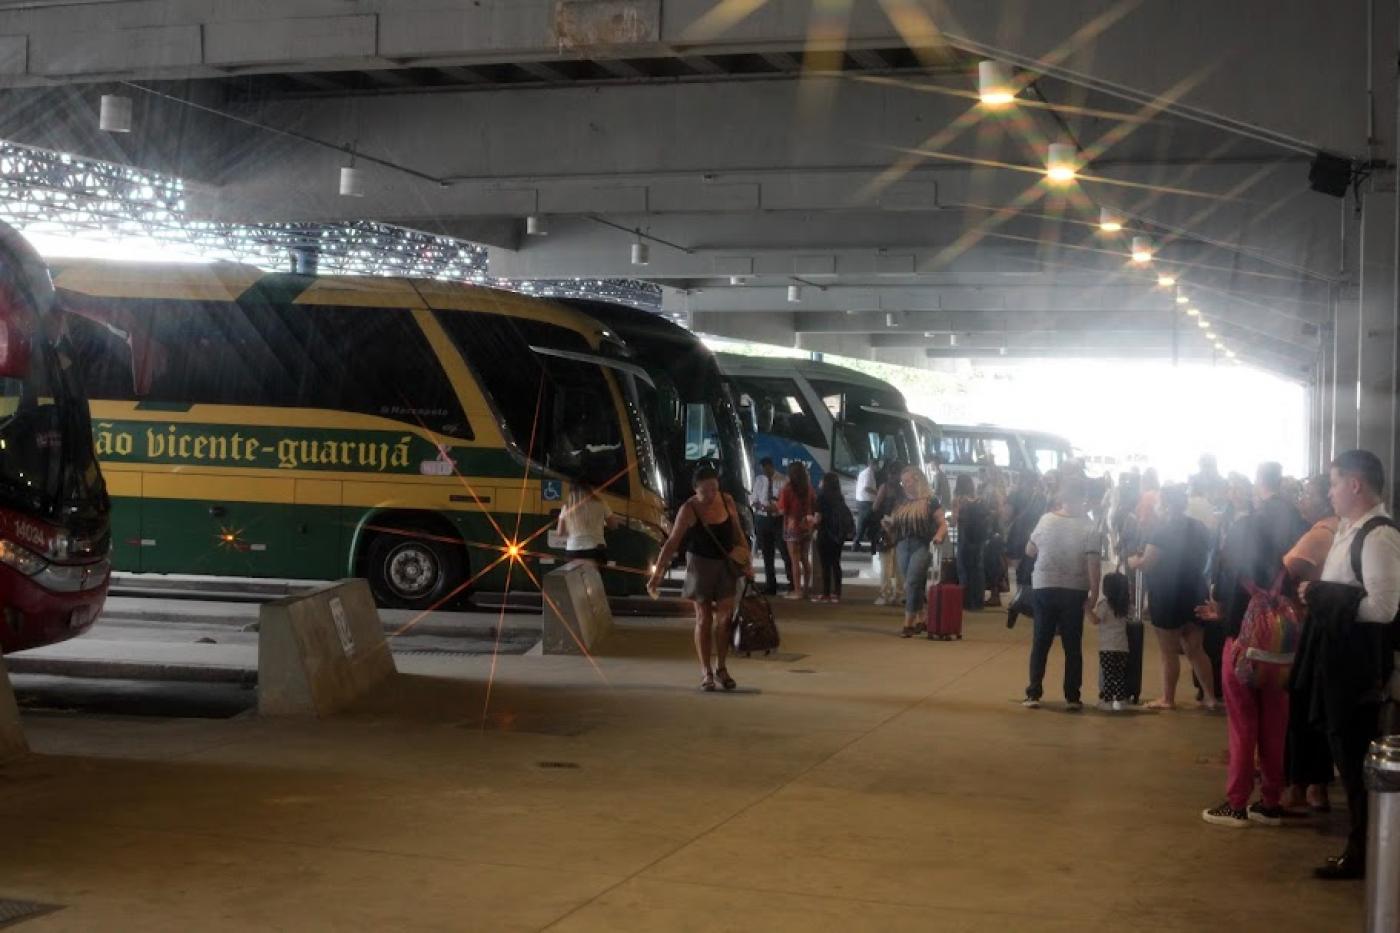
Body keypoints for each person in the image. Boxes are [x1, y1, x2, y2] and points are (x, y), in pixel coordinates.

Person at [1293, 450, 1400, 880]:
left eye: (1335, 483)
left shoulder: (1378, 536)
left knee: (1357, 760)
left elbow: (1385, 607)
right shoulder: (1347, 529)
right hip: (1336, 660)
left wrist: (1320, 595)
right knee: (1345, 753)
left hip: (1357, 668)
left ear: (1355, 485)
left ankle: (1365, 852)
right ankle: (1362, 846)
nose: (1329, 492)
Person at [1199, 463, 1308, 828]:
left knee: (1243, 725)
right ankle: (1271, 802)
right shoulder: (1289, 551)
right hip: (1281, 649)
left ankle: (1236, 803)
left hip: (1242, 647)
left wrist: (1224, 613)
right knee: (1276, 725)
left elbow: (1225, 597)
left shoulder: (1240, 551)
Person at [647, 464, 749, 692]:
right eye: (705, 491)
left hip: (726, 565)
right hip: (700, 566)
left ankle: (722, 667)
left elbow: (737, 532)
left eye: (714, 489)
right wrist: (658, 575)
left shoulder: (727, 500)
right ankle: (706, 672)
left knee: (724, 619)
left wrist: (747, 560)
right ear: (695, 490)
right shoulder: (689, 509)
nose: (711, 495)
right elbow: (672, 542)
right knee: (704, 619)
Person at [1129, 484, 1215, 711]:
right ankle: (1210, 697)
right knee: (1196, 650)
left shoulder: (1162, 531)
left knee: (1168, 652)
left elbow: (1148, 563)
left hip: (1168, 594)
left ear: (1164, 504)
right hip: (1196, 590)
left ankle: (1168, 698)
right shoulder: (1199, 527)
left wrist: (1132, 562)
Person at [1280, 473, 1338, 814]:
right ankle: (1318, 786)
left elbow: (1285, 569)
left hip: (1308, 627)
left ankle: (1300, 786)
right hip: (1332, 629)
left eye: (1309, 493)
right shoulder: (1343, 530)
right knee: (1321, 710)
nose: (1302, 499)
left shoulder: (1320, 533)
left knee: (1301, 708)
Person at [1023, 473, 1101, 710]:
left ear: (1062, 497)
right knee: (1072, 645)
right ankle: (1072, 696)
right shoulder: (1089, 527)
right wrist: (1093, 597)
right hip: (1074, 590)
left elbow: (1029, 550)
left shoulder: (1046, 520)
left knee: (1041, 641)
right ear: (1083, 498)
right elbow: (1093, 566)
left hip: (1044, 586)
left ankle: (1034, 692)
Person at [884, 467, 947, 637]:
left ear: (918, 480)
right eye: (903, 482)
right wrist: (889, 525)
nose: (904, 485)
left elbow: (943, 523)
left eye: (908, 481)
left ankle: (908, 623)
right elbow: (894, 522)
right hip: (902, 545)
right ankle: (922, 618)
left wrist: (939, 537)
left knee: (911, 582)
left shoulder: (930, 501)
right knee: (915, 584)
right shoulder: (900, 501)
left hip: (922, 544)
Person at [750, 457, 791, 596]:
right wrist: (759, 506)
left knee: (785, 552)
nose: (765, 472)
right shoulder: (759, 480)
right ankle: (770, 585)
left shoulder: (783, 480)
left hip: (778, 520)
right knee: (767, 554)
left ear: (771, 466)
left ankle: (792, 582)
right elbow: (753, 499)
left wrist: (776, 508)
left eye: (767, 469)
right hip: (762, 519)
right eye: (763, 470)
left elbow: (785, 502)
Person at [777, 461, 818, 601]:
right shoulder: (809, 488)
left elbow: (782, 509)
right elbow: (814, 504)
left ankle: (797, 591)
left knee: (794, 560)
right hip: (806, 525)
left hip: (792, 526)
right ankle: (806, 590)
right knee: (805, 558)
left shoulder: (787, 489)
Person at [556, 480, 621, 566]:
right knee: (595, 578)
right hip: (596, 550)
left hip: (573, 551)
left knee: (574, 579)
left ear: (571, 492)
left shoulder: (567, 507)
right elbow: (614, 525)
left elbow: (560, 533)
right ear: (589, 489)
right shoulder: (601, 503)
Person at [1095, 571, 1133, 711]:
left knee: (1108, 675)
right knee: (1119, 675)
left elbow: (1095, 620)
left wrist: (1086, 609)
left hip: (1107, 647)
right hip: (1123, 647)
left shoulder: (1104, 605)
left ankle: (1107, 701)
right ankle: (1121, 701)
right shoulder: (1125, 606)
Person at [953, 475, 990, 611]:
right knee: (978, 569)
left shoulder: (959, 500)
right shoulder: (980, 500)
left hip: (965, 538)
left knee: (963, 569)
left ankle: (966, 601)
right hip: (979, 539)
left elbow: (954, 521)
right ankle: (978, 602)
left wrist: (953, 516)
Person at [872, 461, 906, 606]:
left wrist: (882, 521)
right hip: (900, 530)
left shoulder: (884, 488)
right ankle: (899, 594)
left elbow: (875, 508)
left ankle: (886, 593)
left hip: (885, 529)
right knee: (899, 565)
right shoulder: (903, 491)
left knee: (886, 565)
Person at [814, 472, 852, 603]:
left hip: (824, 534)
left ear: (825, 483)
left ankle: (826, 594)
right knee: (836, 563)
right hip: (837, 535)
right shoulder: (839, 497)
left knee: (825, 565)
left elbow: (817, 518)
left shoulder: (821, 498)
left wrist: (810, 520)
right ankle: (837, 593)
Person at [854, 459, 880, 554]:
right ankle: (861, 544)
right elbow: (866, 488)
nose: (878, 468)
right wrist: (878, 493)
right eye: (877, 465)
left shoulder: (866, 472)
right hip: (866, 502)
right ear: (873, 465)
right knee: (870, 523)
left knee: (865, 523)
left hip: (864, 501)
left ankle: (858, 544)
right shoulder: (868, 473)